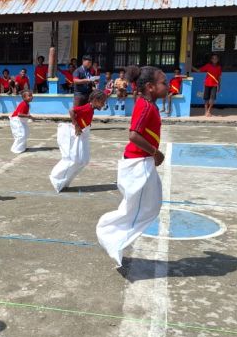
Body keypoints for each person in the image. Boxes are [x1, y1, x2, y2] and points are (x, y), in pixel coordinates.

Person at [96, 65, 168, 269]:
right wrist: (156, 152)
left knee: (148, 206)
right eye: (164, 83)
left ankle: (113, 238)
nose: (168, 86)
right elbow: (133, 135)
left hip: (141, 162)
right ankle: (109, 236)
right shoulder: (145, 106)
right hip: (137, 164)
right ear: (150, 87)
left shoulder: (148, 104)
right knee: (136, 211)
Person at [50, 89, 108, 193]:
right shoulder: (87, 108)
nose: (103, 104)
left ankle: (64, 181)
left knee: (83, 160)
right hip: (75, 134)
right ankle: (56, 178)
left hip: (82, 134)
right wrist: (76, 126)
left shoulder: (91, 109)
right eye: (102, 102)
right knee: (73, 159)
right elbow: (72, 111)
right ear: (95, 100)